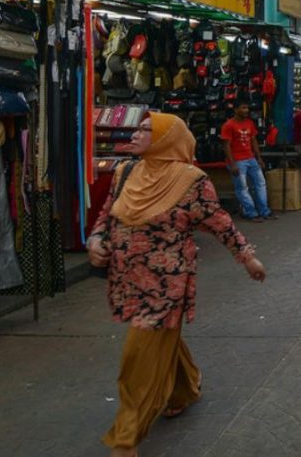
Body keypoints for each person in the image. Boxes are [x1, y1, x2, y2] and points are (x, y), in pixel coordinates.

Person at [86, 113, 266, 457]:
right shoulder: (126, 172)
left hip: (166, 285)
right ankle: (183, 389)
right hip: (127, 278)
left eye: (146, 130)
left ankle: (125, 438)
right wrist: (95, 239)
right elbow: (108, 213)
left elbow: (219, 221)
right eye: (137, 129)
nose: (135, 134)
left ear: (166, 139)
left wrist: (247, 257)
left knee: (139, 357)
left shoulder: (191, 180)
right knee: (163, 340)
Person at [220, 103, 275, 222]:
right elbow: (226, 146)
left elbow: (253, 141)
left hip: (251, 158)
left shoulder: (249, 123)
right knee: (242, 188)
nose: (246, 110)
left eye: (247, 107)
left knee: (260, 184)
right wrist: (232, 164)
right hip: (237, 161)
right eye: (243, 107)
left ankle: (264, 211)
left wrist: (258, 158)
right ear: (236, 109)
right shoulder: (228, 125)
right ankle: (251, 213)